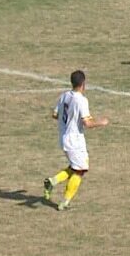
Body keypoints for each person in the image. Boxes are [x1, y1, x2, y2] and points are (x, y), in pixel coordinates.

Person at [44, 70, 109, 211]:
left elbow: (55, 115)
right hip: (75, 141)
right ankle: (65, 202)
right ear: (83, 84)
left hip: (63, 138)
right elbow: (87, 123)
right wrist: (101, 122)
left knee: (75, 167)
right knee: (80, 170)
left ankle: (52, 181)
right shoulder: (81, 100)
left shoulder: (64, 96)